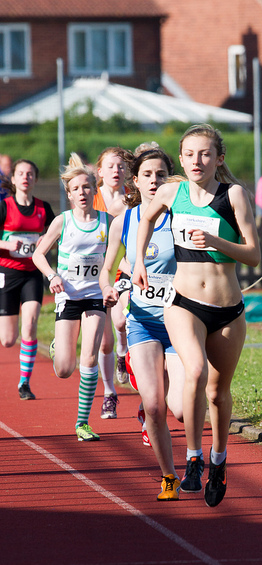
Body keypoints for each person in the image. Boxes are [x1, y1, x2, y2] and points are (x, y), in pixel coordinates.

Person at [132, 124, 260, 508]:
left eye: (204, 154)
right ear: (182, 158)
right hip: (184, 303)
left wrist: (218, 242)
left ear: (218, 158)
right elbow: (146, 219)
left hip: (227, 310)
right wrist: (137, 261)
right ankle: (193, 458)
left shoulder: (233, 195)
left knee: (218, 393)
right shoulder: (172, 192)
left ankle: (219, 462)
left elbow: (254, 255)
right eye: (189, 154)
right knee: (196, 371)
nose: (196, 161)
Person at [99, 145, 185, 501]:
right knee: (153, 406)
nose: (154, 181)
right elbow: (106, 269)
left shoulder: (181, 217)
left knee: (180, 409)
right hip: (143, 322)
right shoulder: (125, 221)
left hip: (180, 322)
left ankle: (200, 456)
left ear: (170, 179)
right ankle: (169, 477)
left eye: (161, 174)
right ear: (135, 181)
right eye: (147, 175)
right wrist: (109, 289)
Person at [32, 153, 112, 441]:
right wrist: (52, 276)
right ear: (69, 194)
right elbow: (38, 254)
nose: (82, 192)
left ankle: (82, 423)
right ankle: (58, 346)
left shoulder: (107, 222)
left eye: (86, 187)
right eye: (76, 189)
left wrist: (123, 278)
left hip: (95, 297)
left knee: (89, 357)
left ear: (94, 189)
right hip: (67, 296)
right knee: (65, 369)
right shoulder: (63, 221)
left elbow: (120, 256)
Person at [0, 159, 55, 399]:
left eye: (30, 174)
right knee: (7, 340)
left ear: (35, 179)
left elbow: (58, 232)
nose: (25, 177)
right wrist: (6, 244)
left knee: (30, 323)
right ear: (13, 179)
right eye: (21, 173)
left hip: (32, 273)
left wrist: (46, 239)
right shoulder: (4, 207)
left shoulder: (44, 208)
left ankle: (24, 383)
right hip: (7, 273)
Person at [93, 147, 132, 418]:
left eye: (120, 166)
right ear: (100, 171)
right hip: (96, 274)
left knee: (120, 322)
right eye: (110, 166)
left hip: (122, 269)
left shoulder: (133, 198)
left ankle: (123, 351)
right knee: (103, 342)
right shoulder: (90, 197)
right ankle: (109, 394)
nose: (116, 171)